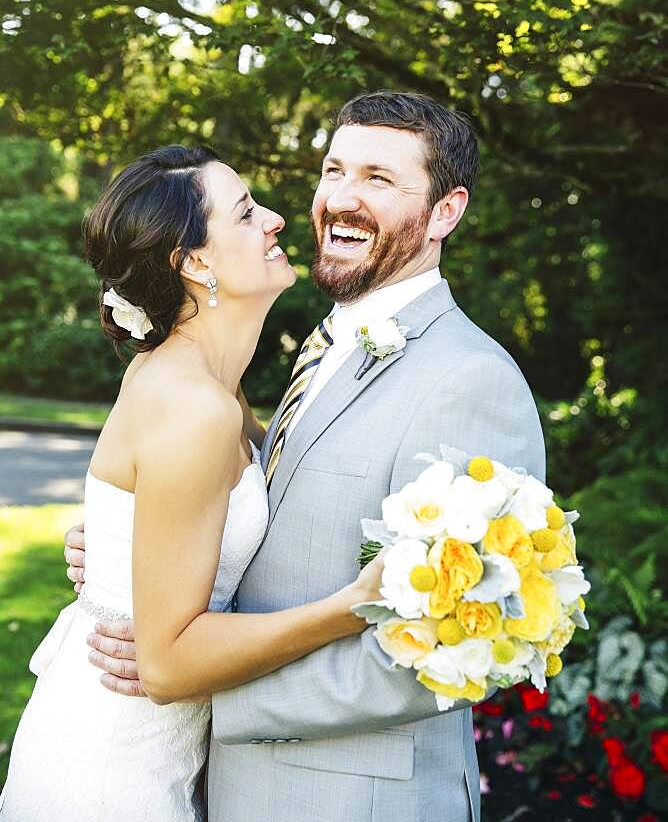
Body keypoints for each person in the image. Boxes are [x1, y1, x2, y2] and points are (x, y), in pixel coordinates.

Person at [63, 92, 545, 822]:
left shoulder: (470, 381)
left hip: (353, 799)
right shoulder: (316, 350)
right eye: (334, 170)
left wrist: (204, 693)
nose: (342, 199)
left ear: (446, 211)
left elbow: (452, 645)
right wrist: (127, 549)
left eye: (379, 180)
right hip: (216, 789)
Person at [0, 144, 384, 822]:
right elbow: (168, 666)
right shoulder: (196, 408)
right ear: (194, 263)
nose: (275, 220)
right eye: (244, 213)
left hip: (141, 748)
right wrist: (353, 606)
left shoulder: (207, 385)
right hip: (112, 773)